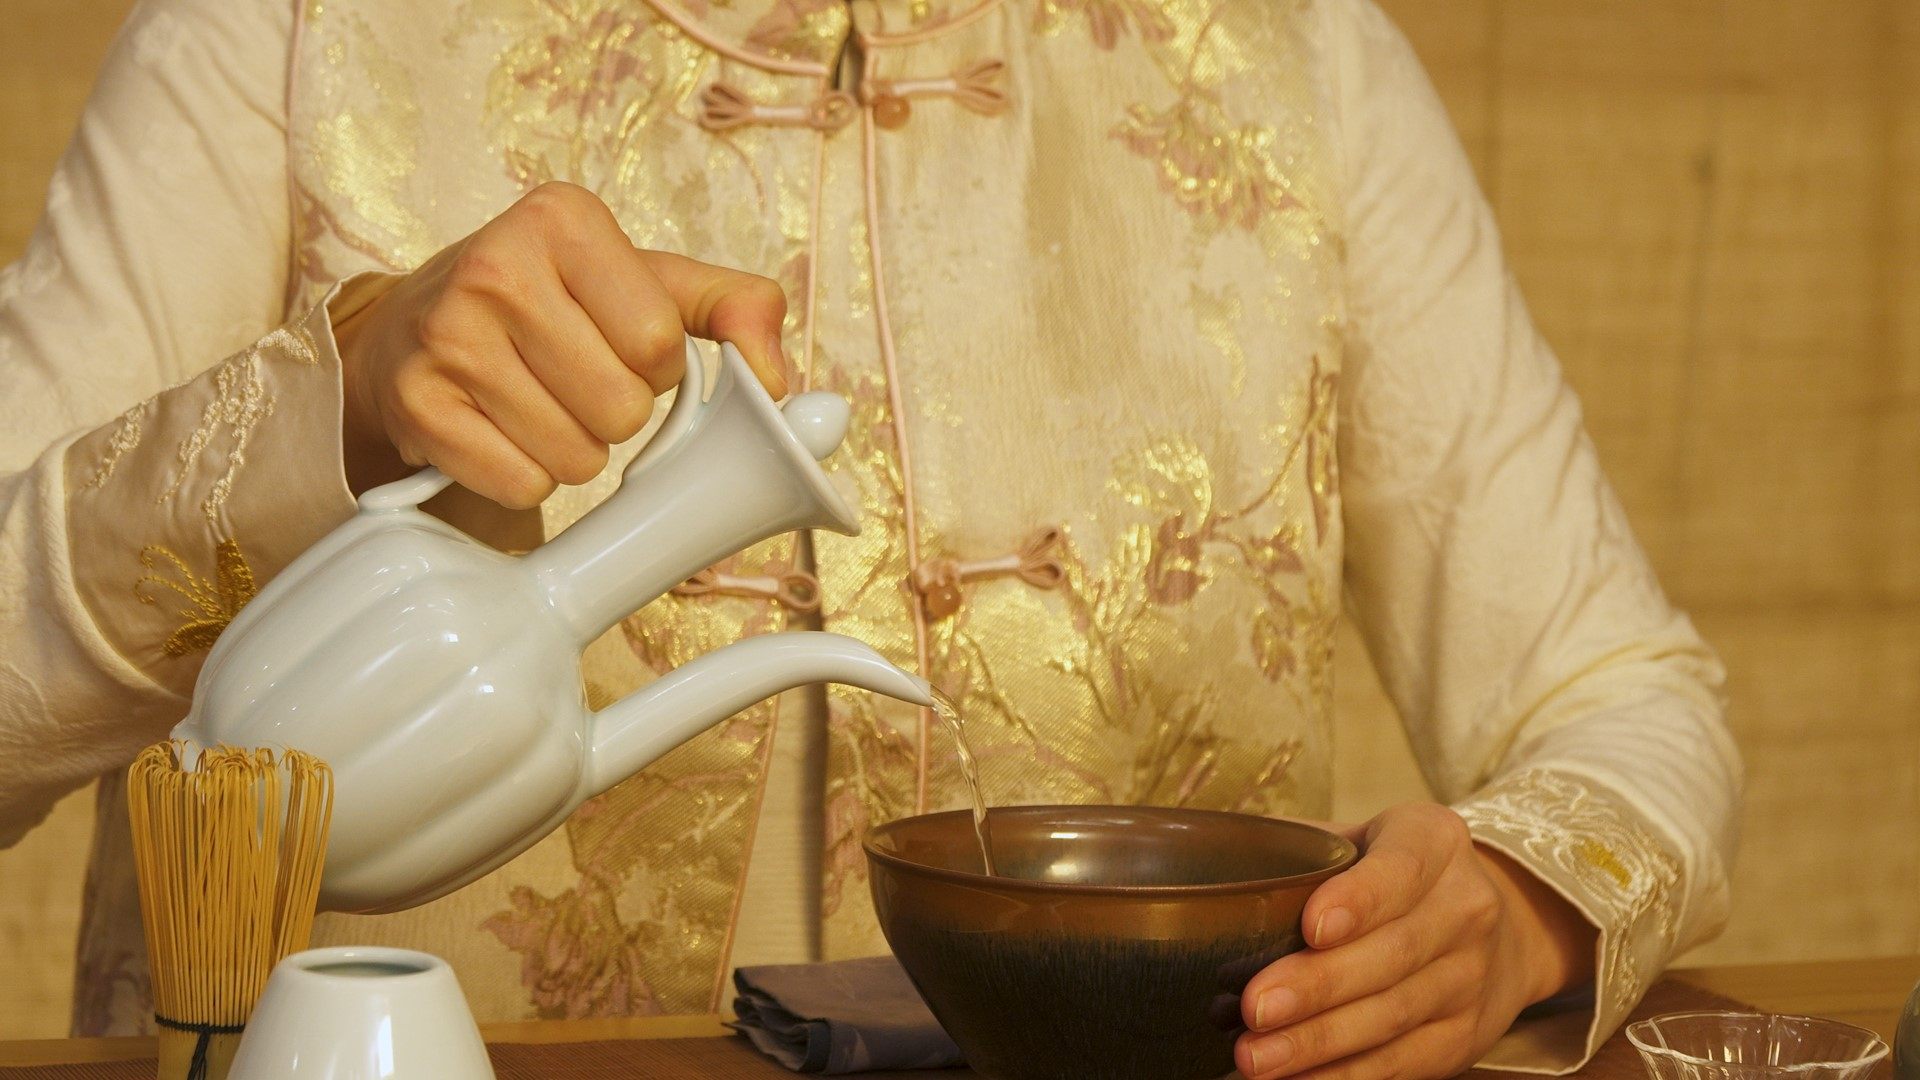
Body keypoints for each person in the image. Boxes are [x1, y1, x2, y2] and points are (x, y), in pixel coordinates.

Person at [0, 0, 1739, 1076]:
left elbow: (1626, 702)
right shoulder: (294, 27)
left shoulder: (1294, 56)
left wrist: (1514, 904)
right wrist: (340, 408)